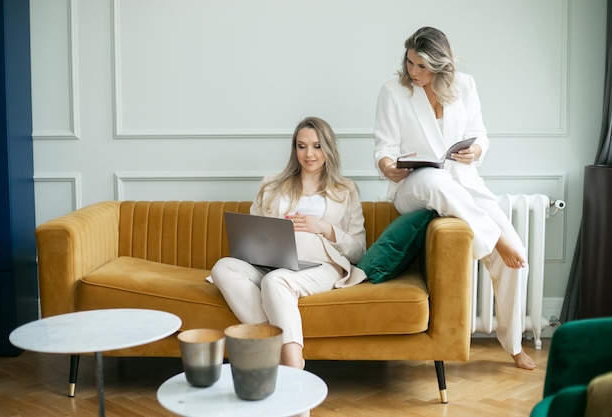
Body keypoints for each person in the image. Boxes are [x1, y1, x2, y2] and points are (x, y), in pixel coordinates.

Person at [373, 26, 536, 370]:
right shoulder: (393, 91)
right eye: (410, 63)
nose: (414, 72)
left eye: (422, 66)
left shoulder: (465, 86)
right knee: (434, 180)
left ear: (441, 65)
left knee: (517, 257)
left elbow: (480, 135)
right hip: (414, 186)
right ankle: (494, 242)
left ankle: (513, 344)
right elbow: (384, 147)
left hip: (464, 184)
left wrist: (475, 150)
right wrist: (388, 167)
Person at [211, 116, 367, 374]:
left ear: (328, 149)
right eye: (301, 145)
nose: (309, 154)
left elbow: (359, 250)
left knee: (277, 282)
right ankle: (275, 345)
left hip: (321, 267)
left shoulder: (345, 189)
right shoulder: (271, 184)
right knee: (223, 268)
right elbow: (254, 231)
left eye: (317, 146)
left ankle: (293, 370)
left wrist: (324, 228)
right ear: (294, 149)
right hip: (272, 262)